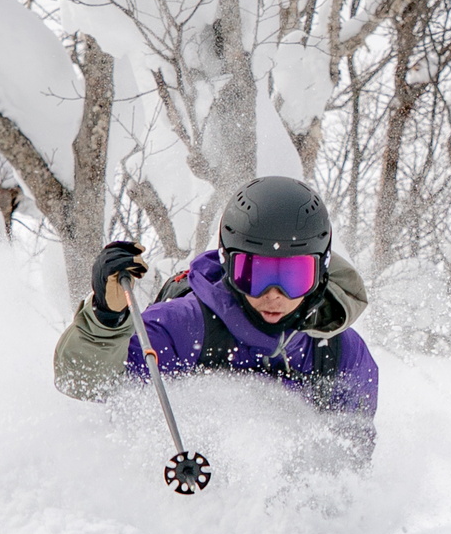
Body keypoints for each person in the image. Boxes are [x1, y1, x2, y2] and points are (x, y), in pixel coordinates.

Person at [54, 176, 378, 440]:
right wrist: (107, 318)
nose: (274, 295)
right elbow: (85, 382)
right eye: (254, 274)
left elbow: (352, 457)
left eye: (294, 277)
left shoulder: (337, 353)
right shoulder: (187, 326)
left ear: (320, 273)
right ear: (228, 266)